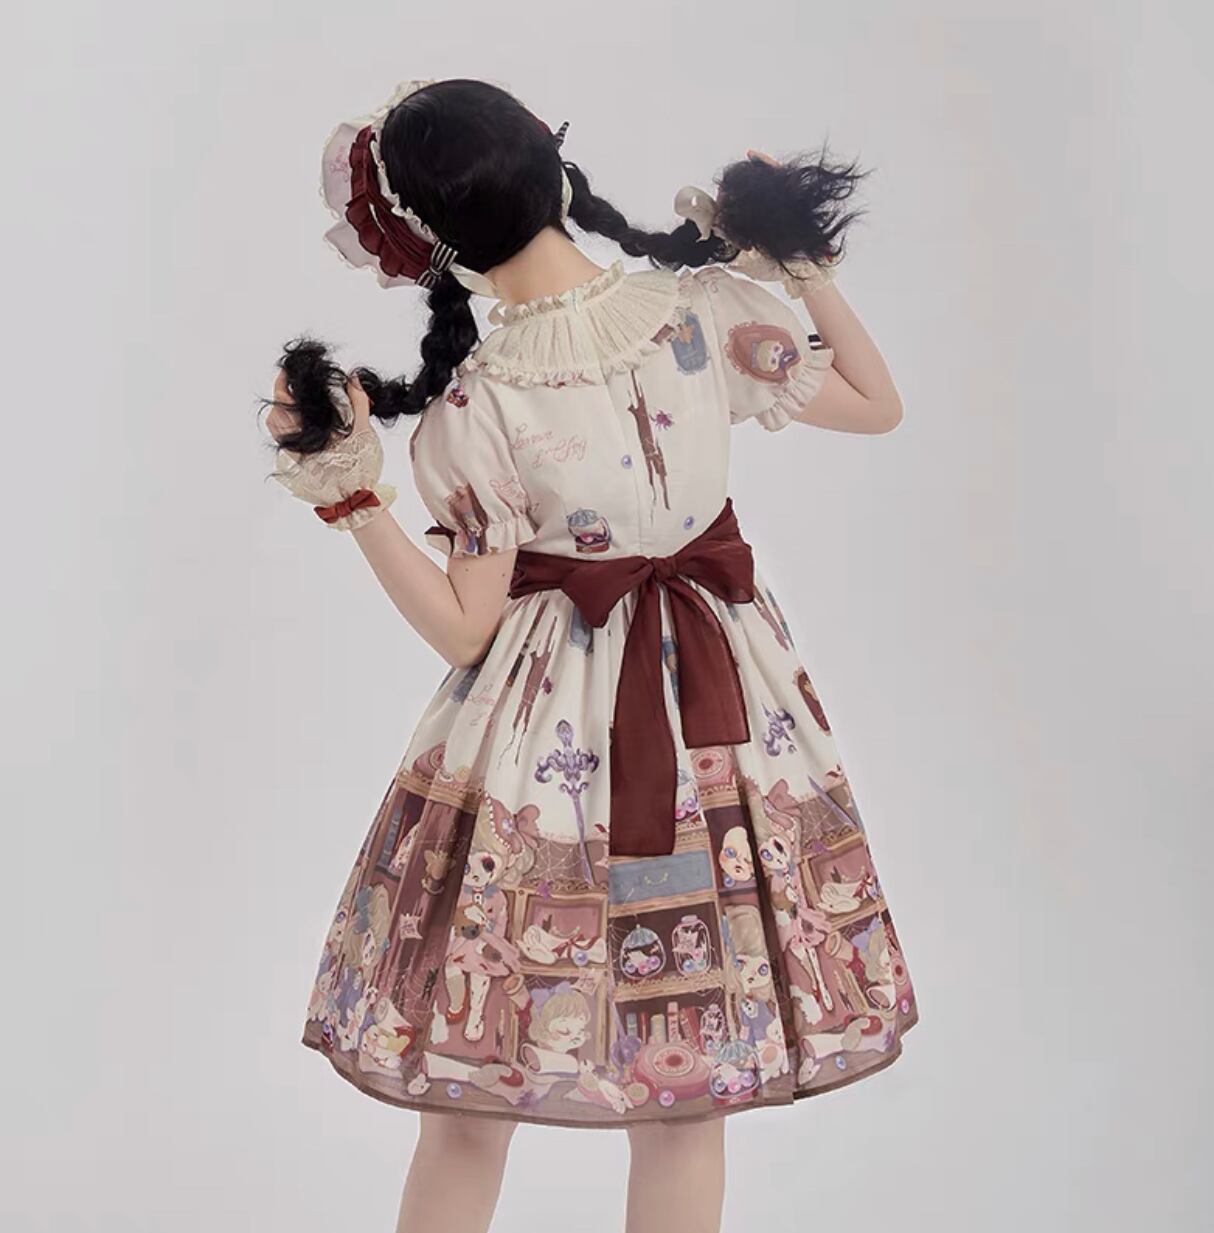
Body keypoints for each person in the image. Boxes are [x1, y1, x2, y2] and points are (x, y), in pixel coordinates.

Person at [265, 76, 918, 1233]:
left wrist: (354, 499)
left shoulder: (475, 408)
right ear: (555, 171)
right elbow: (877, 402)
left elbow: (466, 630)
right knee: (688, 1098)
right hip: (722, 729)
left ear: (427, 243)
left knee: (471, 1102)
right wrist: (801, 260)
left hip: (538, 752)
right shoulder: (700, 311)